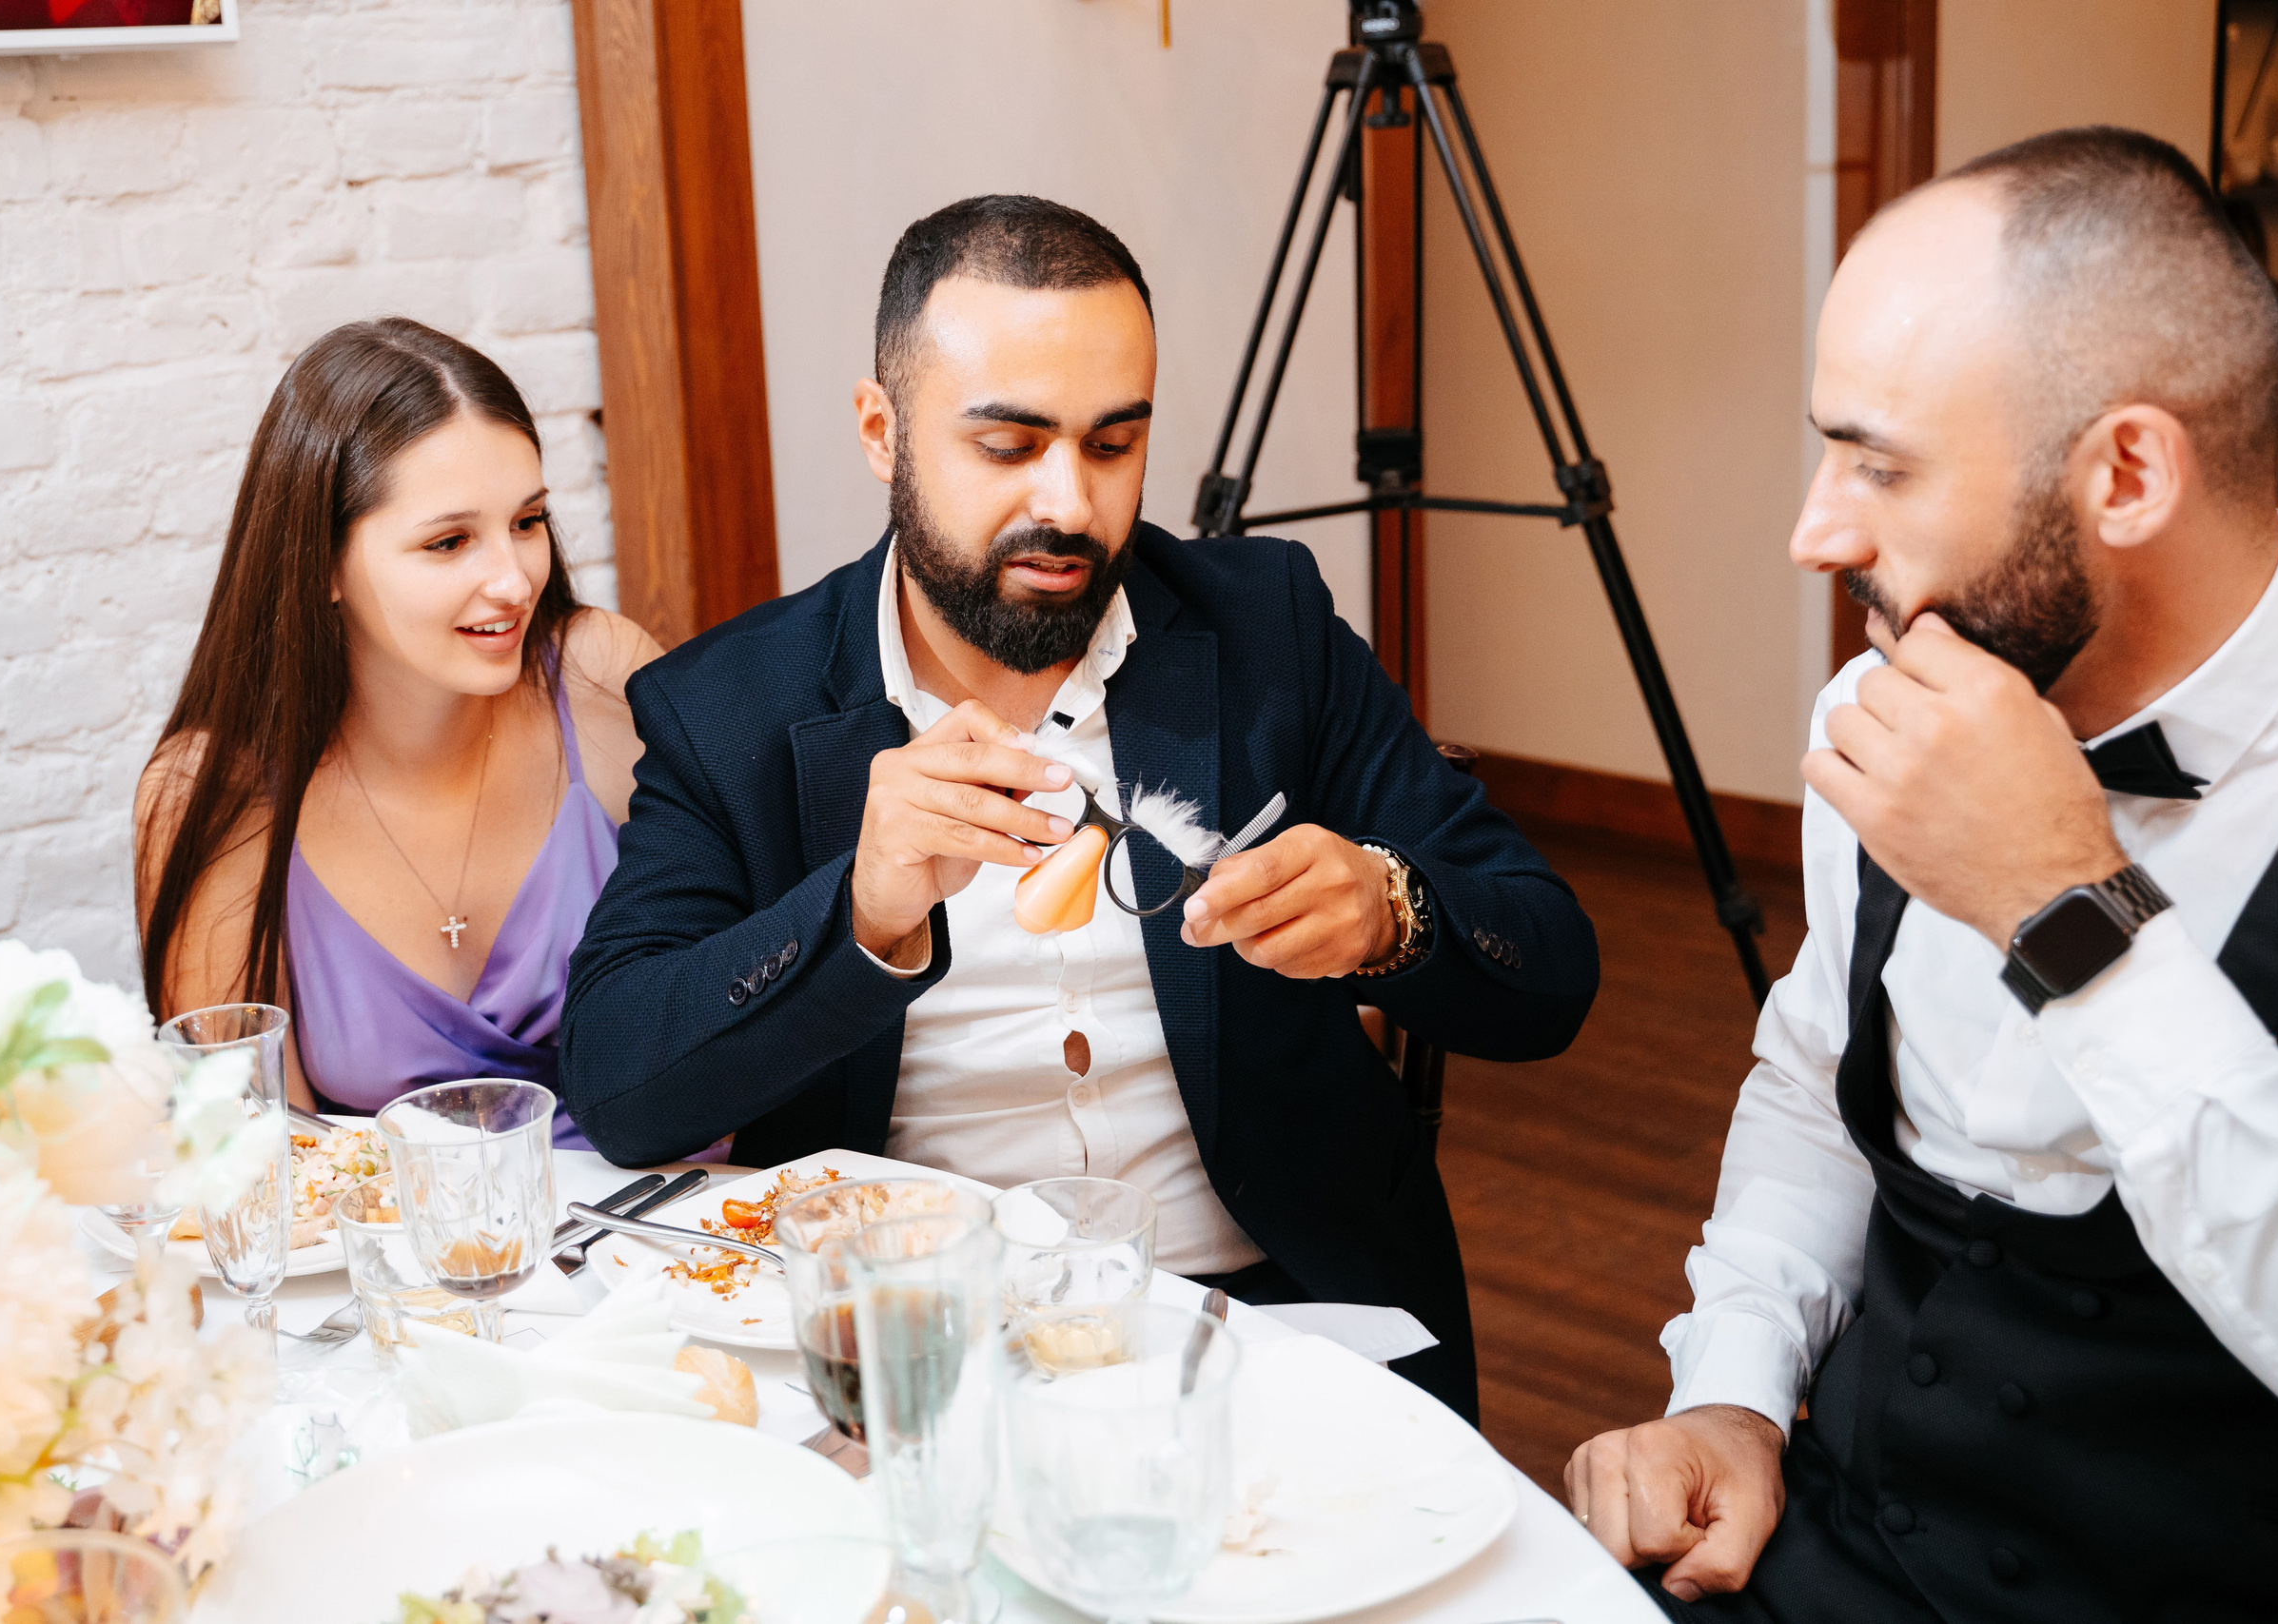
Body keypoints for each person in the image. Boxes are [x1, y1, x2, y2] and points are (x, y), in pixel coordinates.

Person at [560, 194, 1600, 1418]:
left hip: (1265, 1323)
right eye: (1008, 446)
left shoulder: (1266, 629)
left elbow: (1550, 971)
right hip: (912, 1353)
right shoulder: (731, 706)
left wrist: (1392, 911)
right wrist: (860, 913)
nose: (1069, 503)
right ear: (880, 431)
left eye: (1113, 445)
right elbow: (620, 1088)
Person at [1566, 127, 2278, 1622]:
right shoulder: (1888, 711)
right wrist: (1735, 1397)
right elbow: (1816, 1086)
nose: (1814, 531)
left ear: (2132, 471)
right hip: (1843, 1564)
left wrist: (2069, 912)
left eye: (1880, 464)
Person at [135, 318, 660, 1146]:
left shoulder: (599, 676)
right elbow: (248, 1152)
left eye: (526, 522)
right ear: (321, 563)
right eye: (450, 541)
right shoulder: (214, 790)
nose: (513, 578)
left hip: (670, 1235)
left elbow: (746, 981)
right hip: (394, 1262)